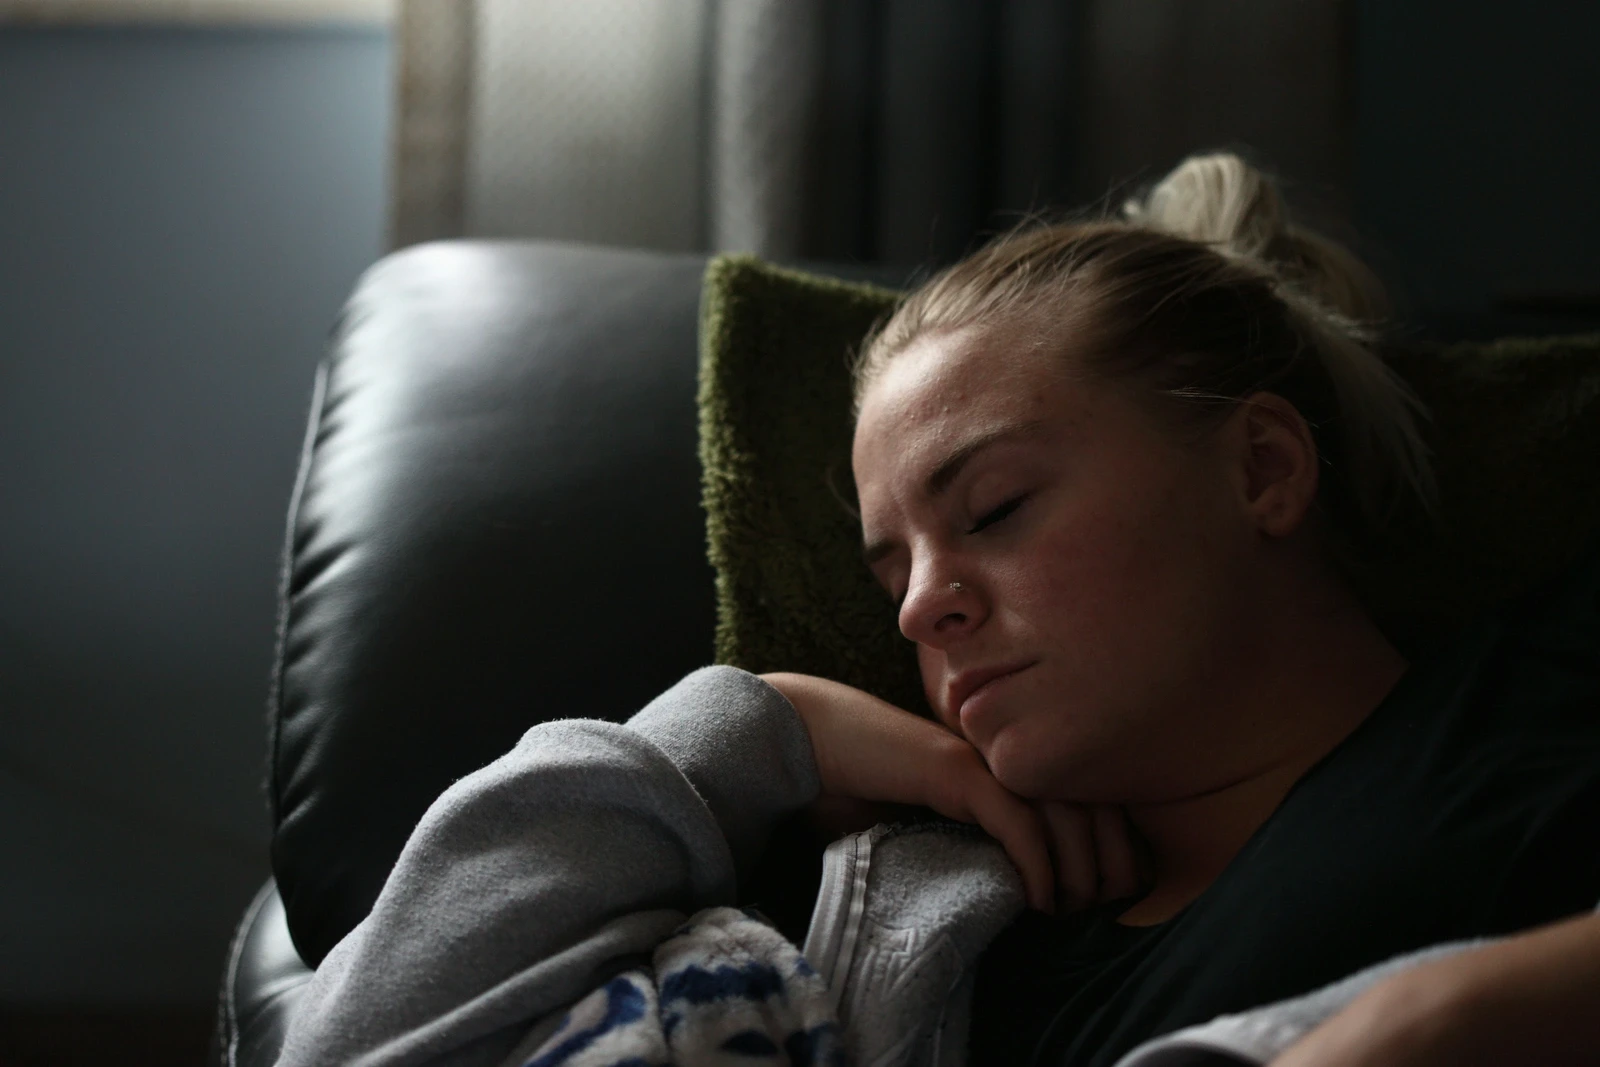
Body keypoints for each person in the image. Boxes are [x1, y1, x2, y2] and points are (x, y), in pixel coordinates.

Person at [274, 154, 1600, 1067]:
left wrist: (1436, 1021)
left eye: (997, 507)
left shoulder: (1537, 695)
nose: (922, 607)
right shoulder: (930, 913)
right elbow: (347, 1041)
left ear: (1261, 470)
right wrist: (760, 725)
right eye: (888, 566)